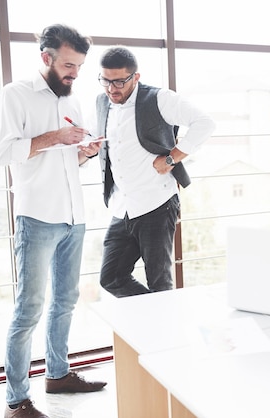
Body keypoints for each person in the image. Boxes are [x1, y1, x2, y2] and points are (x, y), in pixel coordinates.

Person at [0, 24, 106, 418]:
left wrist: (86, 152)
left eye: (79, 66)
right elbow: (5, 153)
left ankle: (58, 374)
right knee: (29, 308)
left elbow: (66, 160)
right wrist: (55, 136)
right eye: (69, 65)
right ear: (46, 58)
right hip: (37, 217)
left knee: (65, 301)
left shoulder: (72, 102)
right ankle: (15, 400)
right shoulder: (16, 95)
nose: (75, 73)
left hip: (73, 215)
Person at [92, 46, 216, 297]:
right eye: (105, 81)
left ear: (135, 77)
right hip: (122, 206)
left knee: (160, 282)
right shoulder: (101, 101)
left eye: (119, 82)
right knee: (112, 278)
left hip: (156, 203)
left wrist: (173, 158)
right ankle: (153, 318)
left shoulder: (160, 98)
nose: (111, 88)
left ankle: (164, 328)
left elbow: (205, 123)